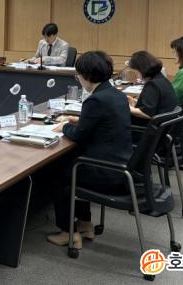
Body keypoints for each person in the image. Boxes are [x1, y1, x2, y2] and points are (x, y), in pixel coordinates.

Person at [47, 51, 132, 249]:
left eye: (78, 75)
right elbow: (102, 124)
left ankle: (68, 233)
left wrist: (65, 126)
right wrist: (78, 121)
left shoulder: (96, 100)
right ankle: (85, 223)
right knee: (74, 165)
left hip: (105, 171)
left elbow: (78, 136)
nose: (78, 79)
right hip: (121, 165)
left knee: (58, 173)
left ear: (86, 75)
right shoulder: (117, 95)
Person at [127, 51, 178, 136]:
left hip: (150, 132)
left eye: (136, 72)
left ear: (142, 69)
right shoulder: (162, 80)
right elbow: (155, 104)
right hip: (164, 128)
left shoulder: (152, 84)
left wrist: (127, 107)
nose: (136, 75)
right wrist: (136, 102)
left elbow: (147, 113)